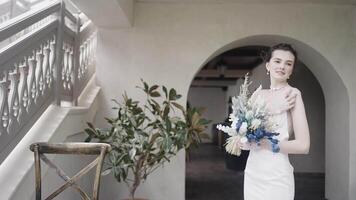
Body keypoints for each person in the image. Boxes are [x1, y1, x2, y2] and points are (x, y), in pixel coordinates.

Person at [241, 43, 310, 200]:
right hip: (253, 171)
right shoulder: (257, 95)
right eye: (277, 61)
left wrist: (265, 144)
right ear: (268, 65)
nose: (282, 67)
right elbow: (244, 136)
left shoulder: (293, 94)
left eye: (288, 63)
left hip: (277, 175)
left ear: (291, 70)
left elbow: (303, 146)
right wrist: (243, 141)